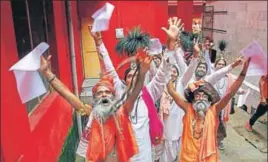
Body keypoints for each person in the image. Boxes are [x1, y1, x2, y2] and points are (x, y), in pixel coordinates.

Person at [39, 53, 152, 162]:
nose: (103, 94)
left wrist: (142, 74)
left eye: (107, 92)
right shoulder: (92, 114)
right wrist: (47, 73)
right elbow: (67, 95)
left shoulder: (122, 112)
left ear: (113, 97)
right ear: (95, 99)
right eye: (100, 93)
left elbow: (134, 94)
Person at [166, 56, 250, 162]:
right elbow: (171, 91)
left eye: (204, 96)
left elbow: (231, 93)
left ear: (209, 100)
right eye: (197, 96)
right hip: (187, 158)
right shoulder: (188, 109)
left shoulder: (213, 110)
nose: (200, 98)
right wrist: (168, 65)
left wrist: (244, 71)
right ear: (193, 99)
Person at [213, 56, 248, 150]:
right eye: (219, 64)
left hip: (223, 106)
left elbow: (234, 87)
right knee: (210, 122)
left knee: (221, 124)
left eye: (223, 64)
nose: (221, 66)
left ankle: (218, 141)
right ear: (215, 65)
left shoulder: (230, 77)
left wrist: (241, 91)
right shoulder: (212, 75)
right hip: (212, 105)